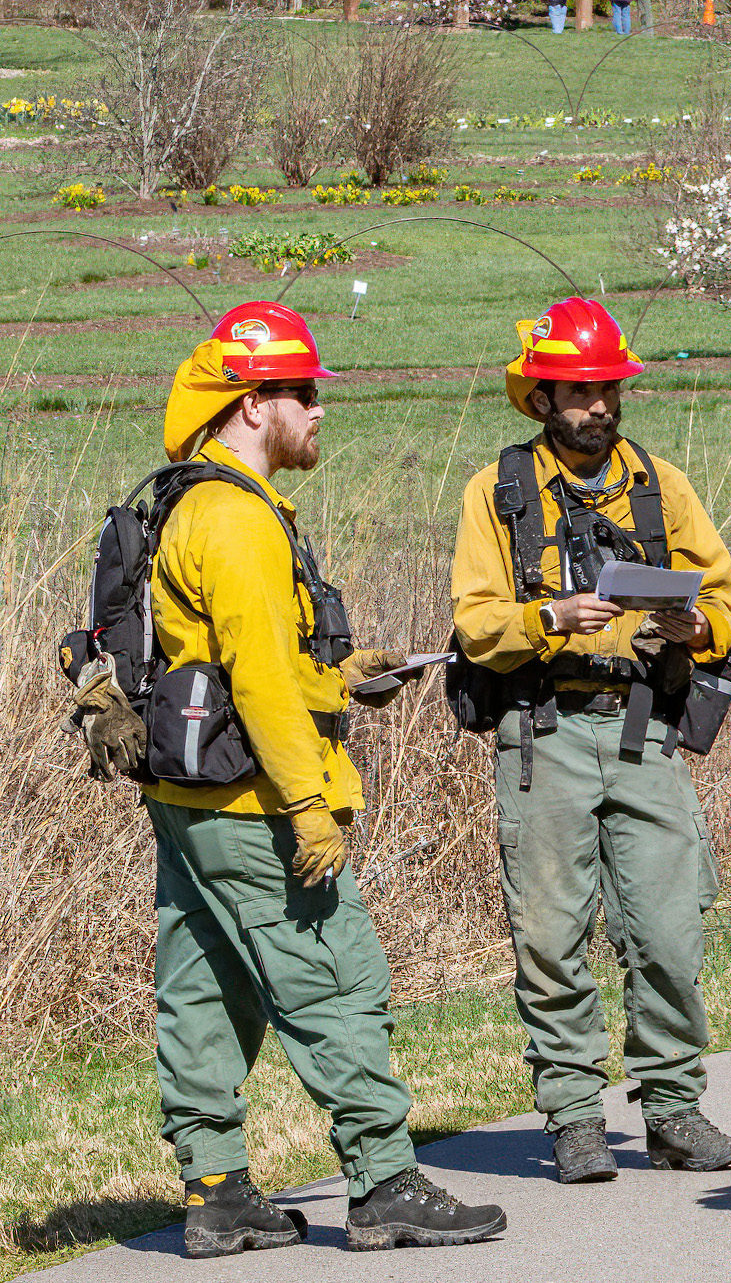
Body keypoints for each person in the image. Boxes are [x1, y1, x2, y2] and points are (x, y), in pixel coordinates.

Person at [149, 304, 506, 1256]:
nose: (318, 410)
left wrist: (339, 677)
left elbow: (237, 660)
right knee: (336, 980)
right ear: (250, 404)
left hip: (192, 796)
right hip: (256, 802)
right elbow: (258, 681)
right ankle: (385, 1182)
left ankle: (216, 1193)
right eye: (302, 393)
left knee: (206, 984)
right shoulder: (236, 520)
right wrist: (308, 805)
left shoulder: (192, 503)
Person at [450, 298, 731, 1185]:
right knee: (550, 936)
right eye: (580, 391)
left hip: (644, 731)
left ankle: (673, 1108)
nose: (600, 406)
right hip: (540, 733)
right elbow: (475, 625)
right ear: (540, 398)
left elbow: (727, 604)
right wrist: (550, 617)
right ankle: (575, 1116)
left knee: (668, 930)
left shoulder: (663, 482)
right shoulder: (494, 492)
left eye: (609, 388)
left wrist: (698, 627)